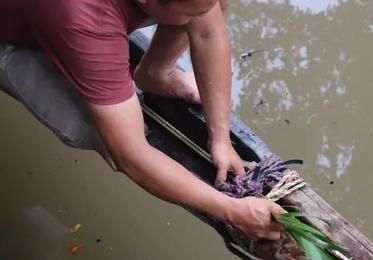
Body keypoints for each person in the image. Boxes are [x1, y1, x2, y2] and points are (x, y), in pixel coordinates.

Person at [0, 0, 284, 241]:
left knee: (208, 6)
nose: (203, 20)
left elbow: (208, 32)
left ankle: (156, 73)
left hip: (70, 20)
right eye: (193, 15)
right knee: (98, 133)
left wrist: (220, 136)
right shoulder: (85, 18)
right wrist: (231, 210)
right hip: (14, 37)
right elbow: (132, 157)